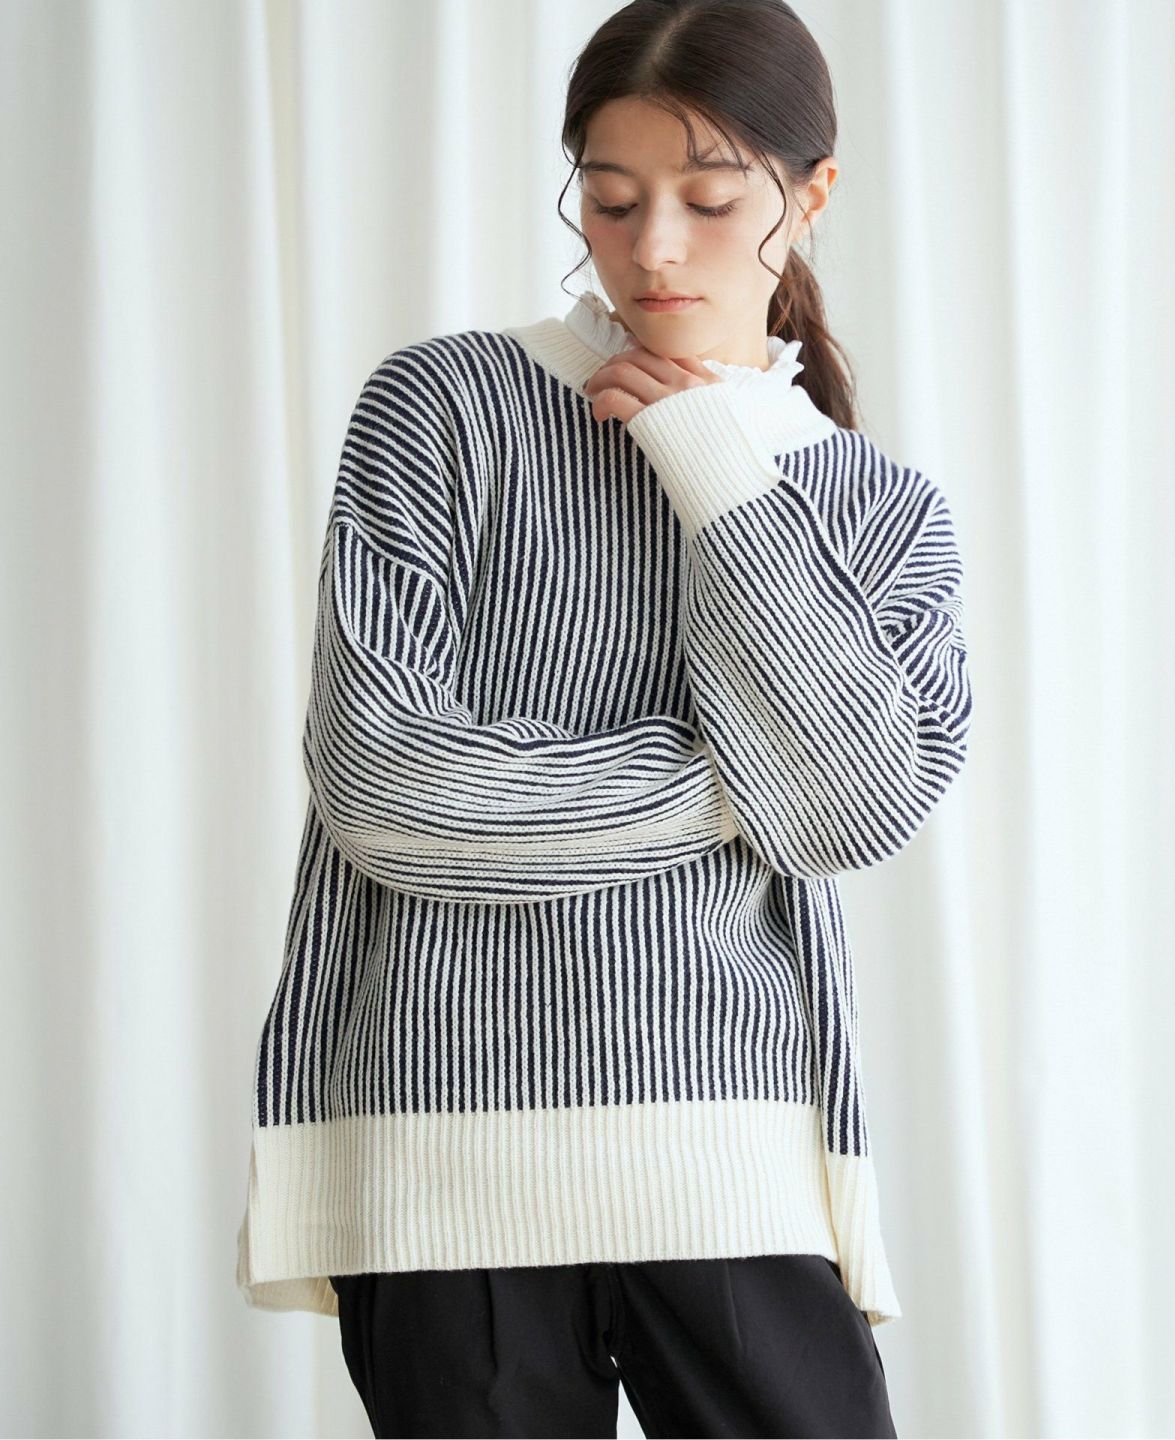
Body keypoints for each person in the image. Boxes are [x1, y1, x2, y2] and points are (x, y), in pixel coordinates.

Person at [235, 1, 973, 1435]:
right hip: (440, 1138)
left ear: (812, 194)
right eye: (613, 200)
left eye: (711, 201)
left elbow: (856, 811)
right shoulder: (446, 406)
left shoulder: (879, 509)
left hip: (734, 1133)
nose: (653, 251)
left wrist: (711, 465)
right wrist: (739, 783)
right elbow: (383, 789)